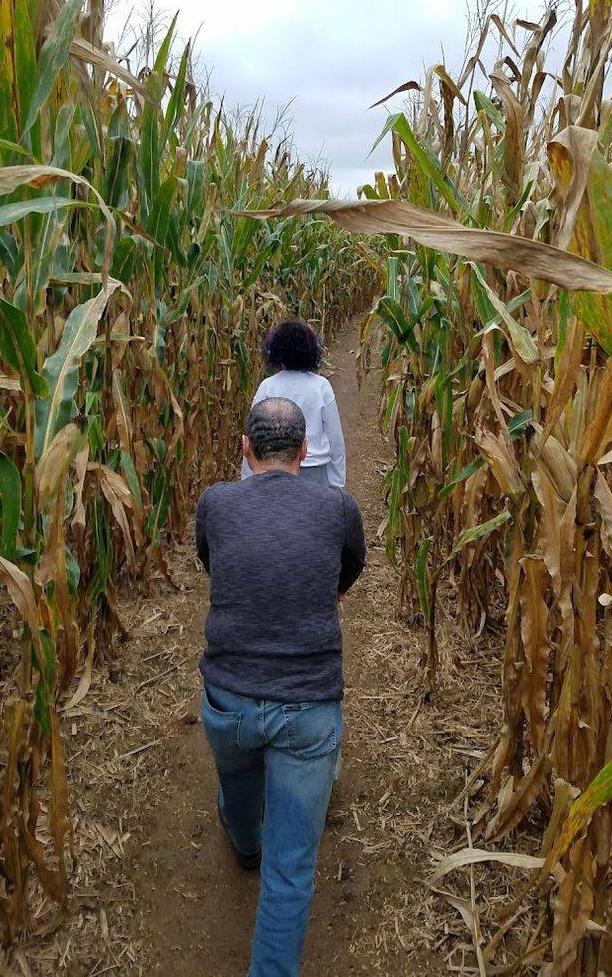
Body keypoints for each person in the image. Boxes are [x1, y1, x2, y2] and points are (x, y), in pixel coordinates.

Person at [195, 397, 366, 977]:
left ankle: (245, 844)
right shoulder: (337, 508)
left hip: (228, 702)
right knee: (289, 874)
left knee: (237, 782)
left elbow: (212, 564)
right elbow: (348, 571)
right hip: (308, 709)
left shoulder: (215, 503)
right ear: (304, 451)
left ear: (245, 449)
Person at [241, 320, 346, 487]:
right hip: (315, 473)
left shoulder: (268, 386)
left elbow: (252, 436)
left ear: (275, 351)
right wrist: (338, 484)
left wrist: (247, 480)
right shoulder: (321, 386)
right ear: (311, 351)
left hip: (273, 471)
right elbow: (335, 440)